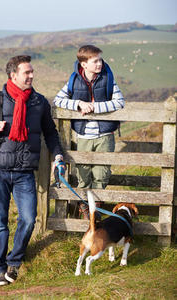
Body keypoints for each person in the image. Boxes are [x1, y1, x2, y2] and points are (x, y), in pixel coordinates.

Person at [0, 55, 64, 286]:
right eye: (27, 73)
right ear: (13, 75)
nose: (31, 76)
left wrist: (58, 155)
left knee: (29, 219)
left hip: (24, 172)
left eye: (32, 72)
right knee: (0, 221)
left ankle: (15, 260)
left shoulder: (39, 103)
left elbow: (50, 133)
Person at [53, 45, 125, 218]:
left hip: (105, 135)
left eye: (100, 60)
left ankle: (96, 209)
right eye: (95, 61)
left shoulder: (108, 79)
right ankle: (85, 206)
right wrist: (78, 104)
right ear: (84, 64)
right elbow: (58, 100)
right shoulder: (74, 80)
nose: (100, 63)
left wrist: (95, 107)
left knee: (101, 173)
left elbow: (120, 102)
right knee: (83, 173)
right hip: (83, 135)